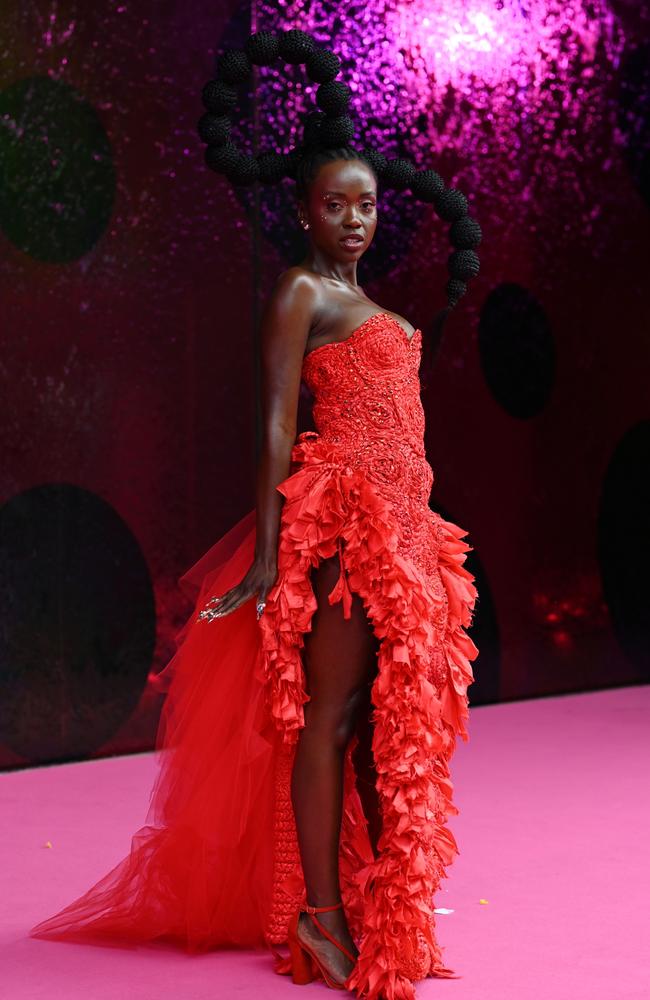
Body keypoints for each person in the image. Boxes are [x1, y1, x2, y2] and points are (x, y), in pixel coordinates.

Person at [30, 29, 481, 1000]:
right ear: (305, 214)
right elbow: (276, 427)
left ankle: (370, 906)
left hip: (404, 536)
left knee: (380, 727)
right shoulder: (302, 292)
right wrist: (275, 558)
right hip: (342, 528)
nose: (353, 220)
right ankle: (317, 923)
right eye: (334, 205)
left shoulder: (368, 301)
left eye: (365, 204)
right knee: (328, 719)